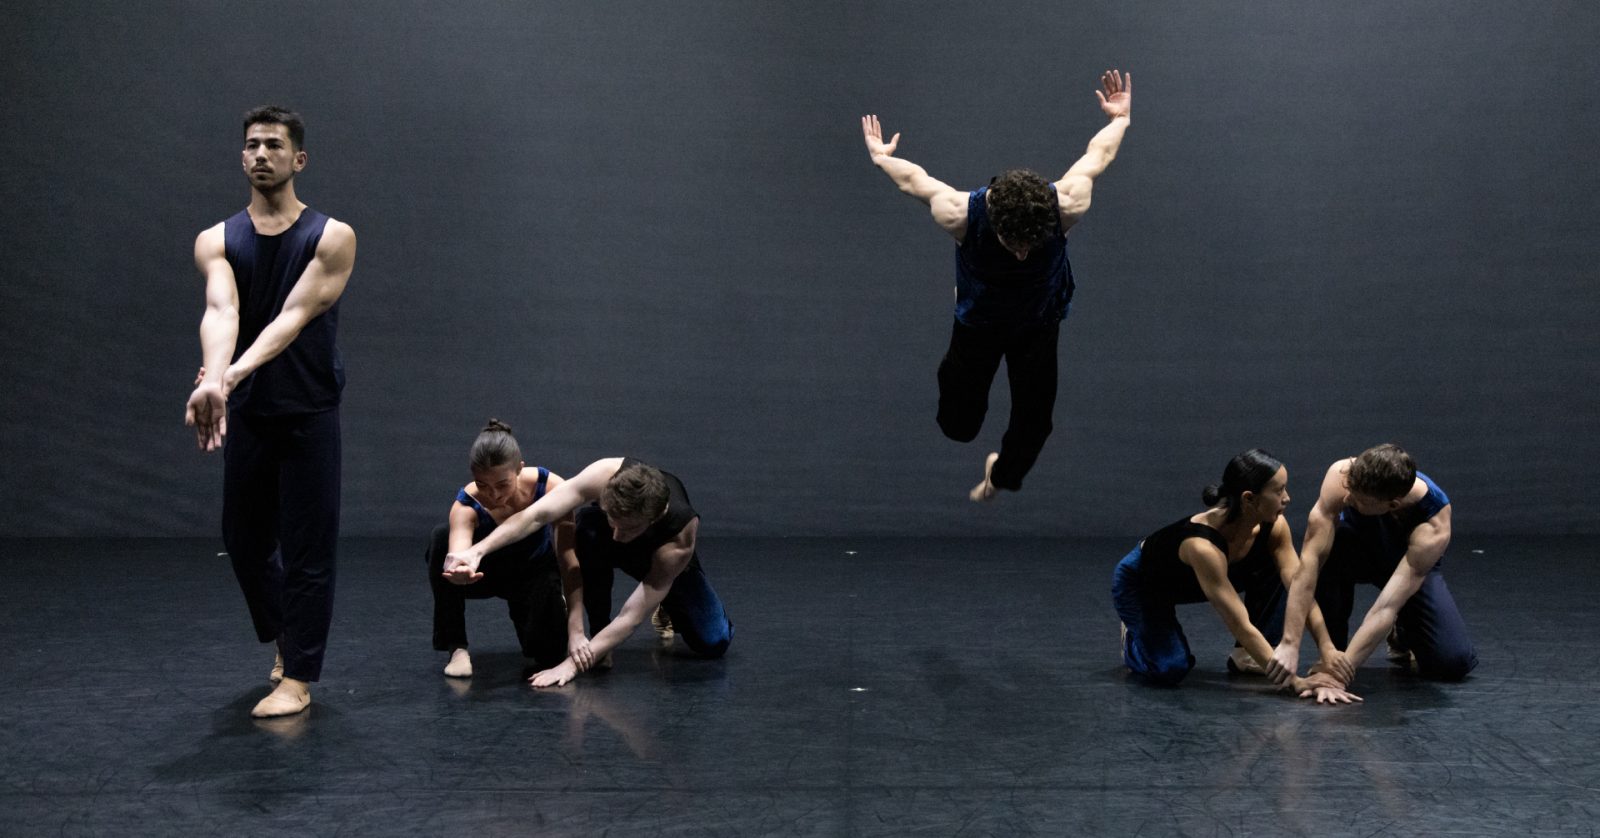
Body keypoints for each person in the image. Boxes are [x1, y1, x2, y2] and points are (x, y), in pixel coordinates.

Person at [861, 69, 1132, 501]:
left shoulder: (1067, 204)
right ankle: (962, 386)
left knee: (1036, 424)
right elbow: (914, 180)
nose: (1023, 253)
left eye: (1032, 244)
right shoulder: (959, 214)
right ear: (997, 224)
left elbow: (1096, 157)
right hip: (978, 328)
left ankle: (1000, 476)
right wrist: (881, 157)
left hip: (1038, 327)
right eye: (1013, 244)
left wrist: (1118, 120)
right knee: (958, 426)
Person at [183, 105, 357, 718]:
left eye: (274, 146)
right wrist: (216, 379)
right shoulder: (217, 239)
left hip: (308, 408)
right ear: (242, 157)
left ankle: (298, 677)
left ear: (298, 159)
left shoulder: (332, 236)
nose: (261, 154)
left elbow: (291, 316)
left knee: (309, 548)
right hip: (251, 411)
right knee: (245, 539)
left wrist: (224, 378)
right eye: (252, 145)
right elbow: (221, 311)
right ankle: (287, 638)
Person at [444, 458, 732, 687]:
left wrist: (571, 665)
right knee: (588, 530)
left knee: (713, 641)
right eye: (613, 521)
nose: (617, 536)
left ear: (653, 519)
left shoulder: (678, 539)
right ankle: (599, 639)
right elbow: (536, 515)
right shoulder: (606, 473)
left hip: (659, 562)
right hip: (607, 537)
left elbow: (631, 616)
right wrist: (476, 551)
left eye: (627, 527)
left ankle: (668, 605)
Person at [1113, 450, 1357, 702]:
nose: (1287, 498)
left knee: (1283, 568)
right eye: (1278, 491)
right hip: (1144, 584)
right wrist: (1294, 682)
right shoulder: (1201, 546)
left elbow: (1300, 588)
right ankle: (1134, 638)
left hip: (1207, 577)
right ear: (1249, 498)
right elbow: (1238, 623)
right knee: (1170, 669)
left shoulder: (1274, 526)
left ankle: (1246, 656)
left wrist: (1327, 648)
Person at [1268, 445, 1477, 693]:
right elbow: (1307, 568)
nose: (1347, 499)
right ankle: (1333, 652)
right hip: (1353, 553)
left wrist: (1340, 675)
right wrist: (1290, 642)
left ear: (1393, 504)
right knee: (1328, 550)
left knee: (1453, 663)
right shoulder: (1342, 476)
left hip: (1405, 565)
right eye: (1349, 490)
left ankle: (1402, 633)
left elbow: (1386, 606)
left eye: (1358, 500)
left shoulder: (1433, 522)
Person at [426, 420, 570, 678]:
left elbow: (568, 553)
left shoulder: (550, 487)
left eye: (502, 484)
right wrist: (459, 570)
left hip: (533, 574)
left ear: (519, 469)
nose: (493, 494)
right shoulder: (466, 504)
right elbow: (457, 552)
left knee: (550, 657)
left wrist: (568, 602)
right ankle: (457, 647)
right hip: (485, 574)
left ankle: (548, 607)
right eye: (483, 484)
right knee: (440, 538)